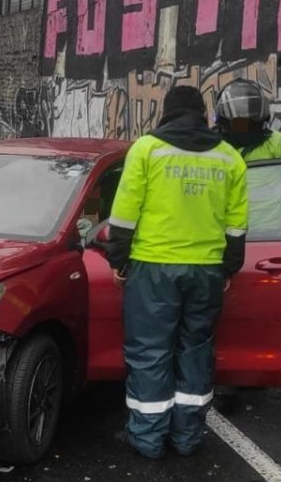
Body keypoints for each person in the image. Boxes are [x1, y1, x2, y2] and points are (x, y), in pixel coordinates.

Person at [105, 86, 248, 459]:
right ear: (202, 113)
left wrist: (118, 260)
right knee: (196, 350)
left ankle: (148, 440)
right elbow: (237, 224)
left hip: (153, 267)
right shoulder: (229, 158)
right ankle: (187, 439)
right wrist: (229, 266)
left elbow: (123, 214)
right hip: (206, 271)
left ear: (166, 112)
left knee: (150, 351)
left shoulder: (147, 149)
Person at [215, 79, 281, 237]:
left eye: (253, 125)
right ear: (225, 124)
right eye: (240, 125)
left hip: (274, 232)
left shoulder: (278, 143)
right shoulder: (213, 147)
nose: (246, 131)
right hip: (223, 232)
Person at [215, 79, 281, 161]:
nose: (247, 118)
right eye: (240, 123)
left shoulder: (278, 142)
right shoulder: (214, 149)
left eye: (252, 120)